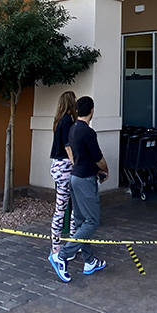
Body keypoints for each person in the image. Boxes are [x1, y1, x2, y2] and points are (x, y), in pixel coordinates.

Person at [49, 96, 108, 283]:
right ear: (92, 110)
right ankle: (62, 256)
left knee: (81, 221)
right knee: (92, 221)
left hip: (74, 176)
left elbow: (71, 151)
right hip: (84, 179)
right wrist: (105, 169)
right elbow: (98, 158)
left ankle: (89, 261)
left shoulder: (73, 128)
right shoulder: (87, 132)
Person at [48, 90, 76, 258]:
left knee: (61, 208)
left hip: (57, 166)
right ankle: (70, 246)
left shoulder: (58, 121)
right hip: (66, 167)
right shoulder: (67, 121)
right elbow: (68, 146)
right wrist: (76, 164)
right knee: (71, 208)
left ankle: (56, 246)